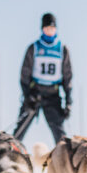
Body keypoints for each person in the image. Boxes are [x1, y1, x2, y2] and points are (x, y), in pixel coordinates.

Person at [13, 13, 72, 143]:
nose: (49, 31)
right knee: (20, 128)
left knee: (59, 133)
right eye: (46, 28)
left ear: (56, 29)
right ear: (42, 29)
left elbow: (67, 76)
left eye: (52, 28)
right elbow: (24, 75)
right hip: (35, 94)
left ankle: (64, 157)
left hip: (53, 95)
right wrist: (28, 95)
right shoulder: (34, 48)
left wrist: (68, 101)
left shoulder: (62, 49)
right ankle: (11, 151)